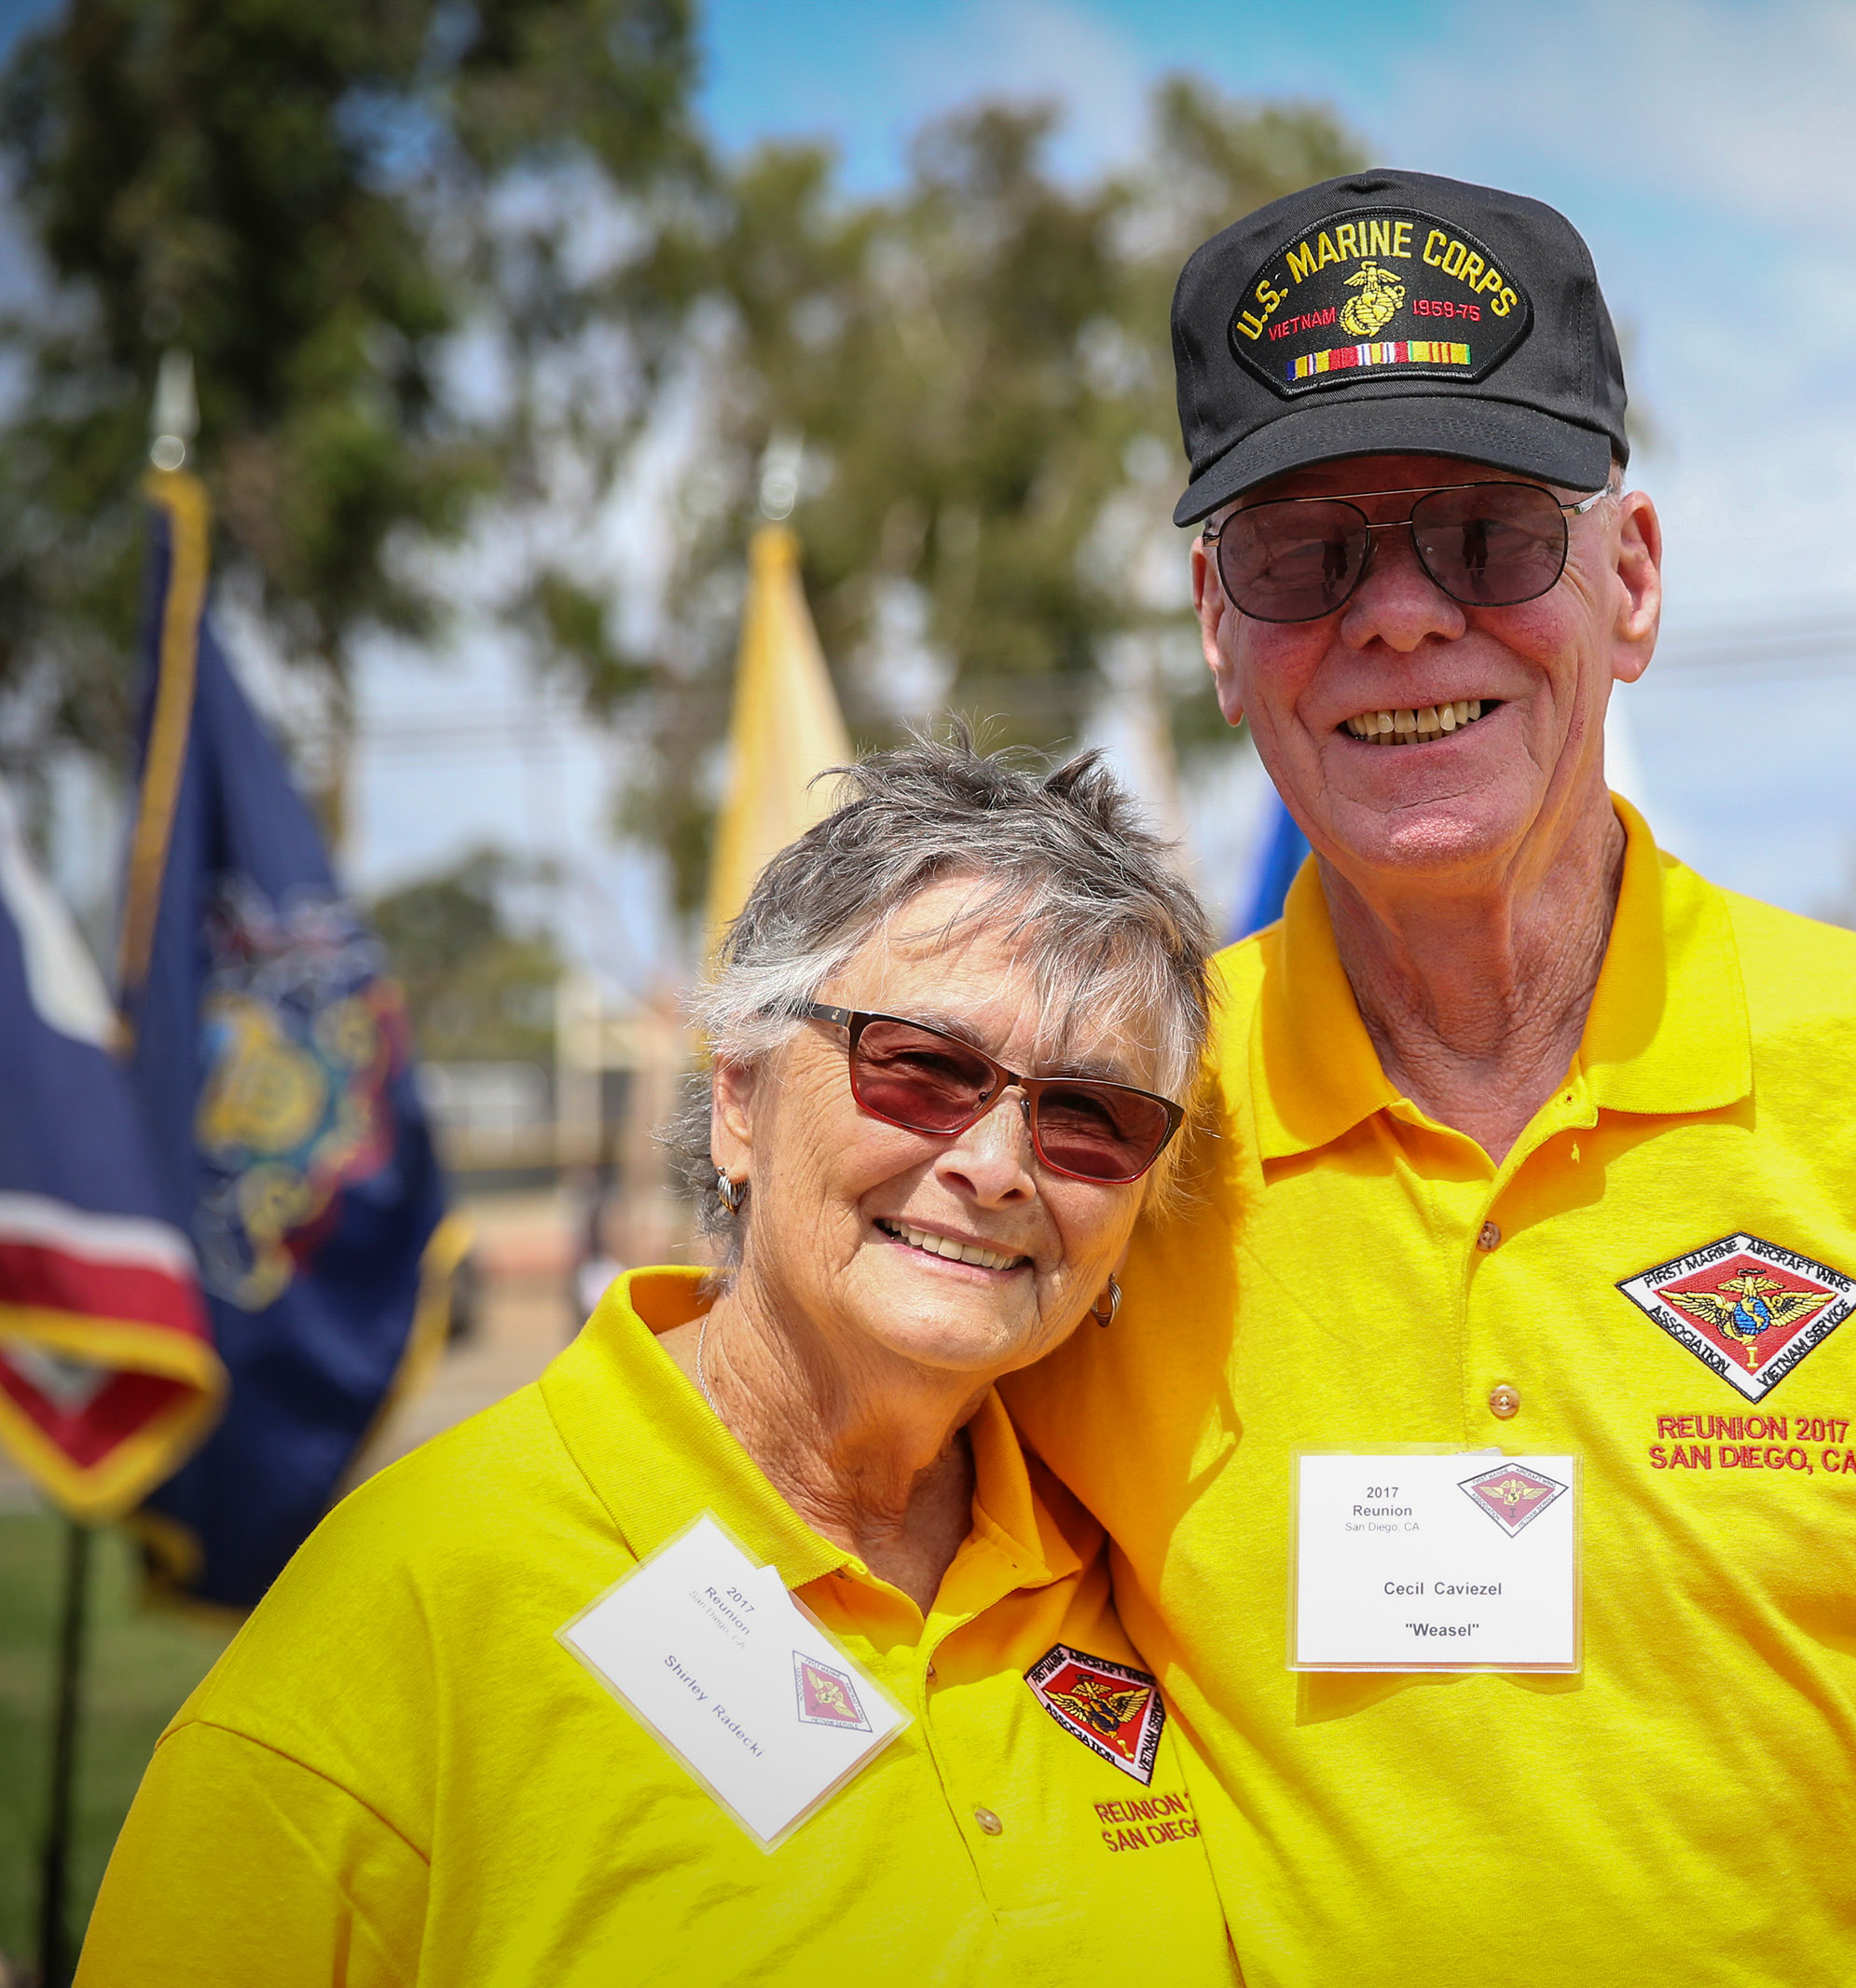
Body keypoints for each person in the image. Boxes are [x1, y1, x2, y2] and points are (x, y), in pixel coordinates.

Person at [1002, 171, 1856, 1986]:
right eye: (1310, 555)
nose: (1398, 615)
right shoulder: (1099, 1131)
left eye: (1487, 534)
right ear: (1219, 626)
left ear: (1634, 580)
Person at [83, 743, 1238, 1984]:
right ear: (739, 1097)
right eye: (922, 1068)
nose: (999, 1162)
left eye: (1092, 1116)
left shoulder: (1136, 1571)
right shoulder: (406, 1608)